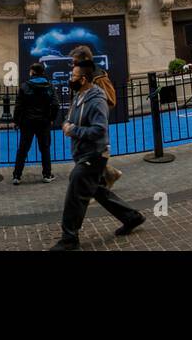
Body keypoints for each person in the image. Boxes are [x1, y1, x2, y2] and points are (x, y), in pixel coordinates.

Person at [50, 58, 145, 251]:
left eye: (74, 76)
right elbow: (73, 120)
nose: (71, 78)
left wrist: (73, 130)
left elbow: (99, 130)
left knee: (75, 192)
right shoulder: (78, 96)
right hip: (82, 154)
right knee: (99, 192)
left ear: (83, 79)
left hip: (93, 156)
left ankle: (69, 238)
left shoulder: (97, 100)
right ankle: (132, 217)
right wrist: (69, 125)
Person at [69, 45, 121, 188]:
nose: (73, 65)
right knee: (86, 156)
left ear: (85, 60)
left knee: (91, 157)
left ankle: (97, 188)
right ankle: (109, 175)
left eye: (75, 61)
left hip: (93, 125)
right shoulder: (81, 76)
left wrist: (93, 112)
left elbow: (111, 100)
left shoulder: (99, 77)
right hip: (83, 125)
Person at [12, 62, 59, 184]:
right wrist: (51, 118)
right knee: (45, 148)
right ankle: (47, 174)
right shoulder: (49, 86)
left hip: (27, 122)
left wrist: (16, 121)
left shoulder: (24, 86)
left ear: (32, 72)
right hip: (44, 121)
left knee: (23, 149)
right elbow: (55, 104)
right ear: (42, 72)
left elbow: (18, 107)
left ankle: (17, 175)